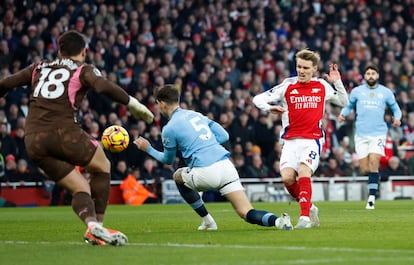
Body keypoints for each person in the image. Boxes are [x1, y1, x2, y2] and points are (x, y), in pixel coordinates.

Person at [0, 30, 154, 246]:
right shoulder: (83, 69)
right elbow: (101, 86)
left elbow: (5, 84)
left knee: (80, 188)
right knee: (102, 166)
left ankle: (92, 227)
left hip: (33, 140)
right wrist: (132, 103)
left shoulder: (38, 67)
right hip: (63, 132)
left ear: (59, 50)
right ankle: (99, 223)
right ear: (84, 51)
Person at [134, 84, 293, 231]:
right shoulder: (196, 115)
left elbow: (168, 160)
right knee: (246, 212)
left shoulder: (169, 128)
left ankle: (208, 221)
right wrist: (206, 143)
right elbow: (224, 135)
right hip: (226, 166)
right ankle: (279, 222)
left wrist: (147, 148)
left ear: (161, 103)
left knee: (177, 176)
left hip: (206, 172)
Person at [253, 49, 349, 228]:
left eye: (306, 67)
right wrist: (269, 108)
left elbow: (344, 102)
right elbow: (257, 99)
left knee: (304, 171)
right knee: (288, 178)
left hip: (312, 140)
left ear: (314, 69)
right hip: (289, 141)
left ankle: (304, 217)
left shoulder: (321, 86)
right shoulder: (287, 85)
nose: (301, 70)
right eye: (299, 66)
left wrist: (338, 83)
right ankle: (310, 207)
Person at [338, 64, 402, 210]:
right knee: (364, 168)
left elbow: (395, 108)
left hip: (378, 133)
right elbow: (349, 106)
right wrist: (343, 114)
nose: (371, 76)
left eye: (373, 73)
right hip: (361, 134)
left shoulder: (385, 92)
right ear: (365, 76)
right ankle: (375, 182)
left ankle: (371, 198)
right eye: (368, 74)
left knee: (374, 162)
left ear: (377, 75)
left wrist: (397, 118)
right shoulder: (356, 92)